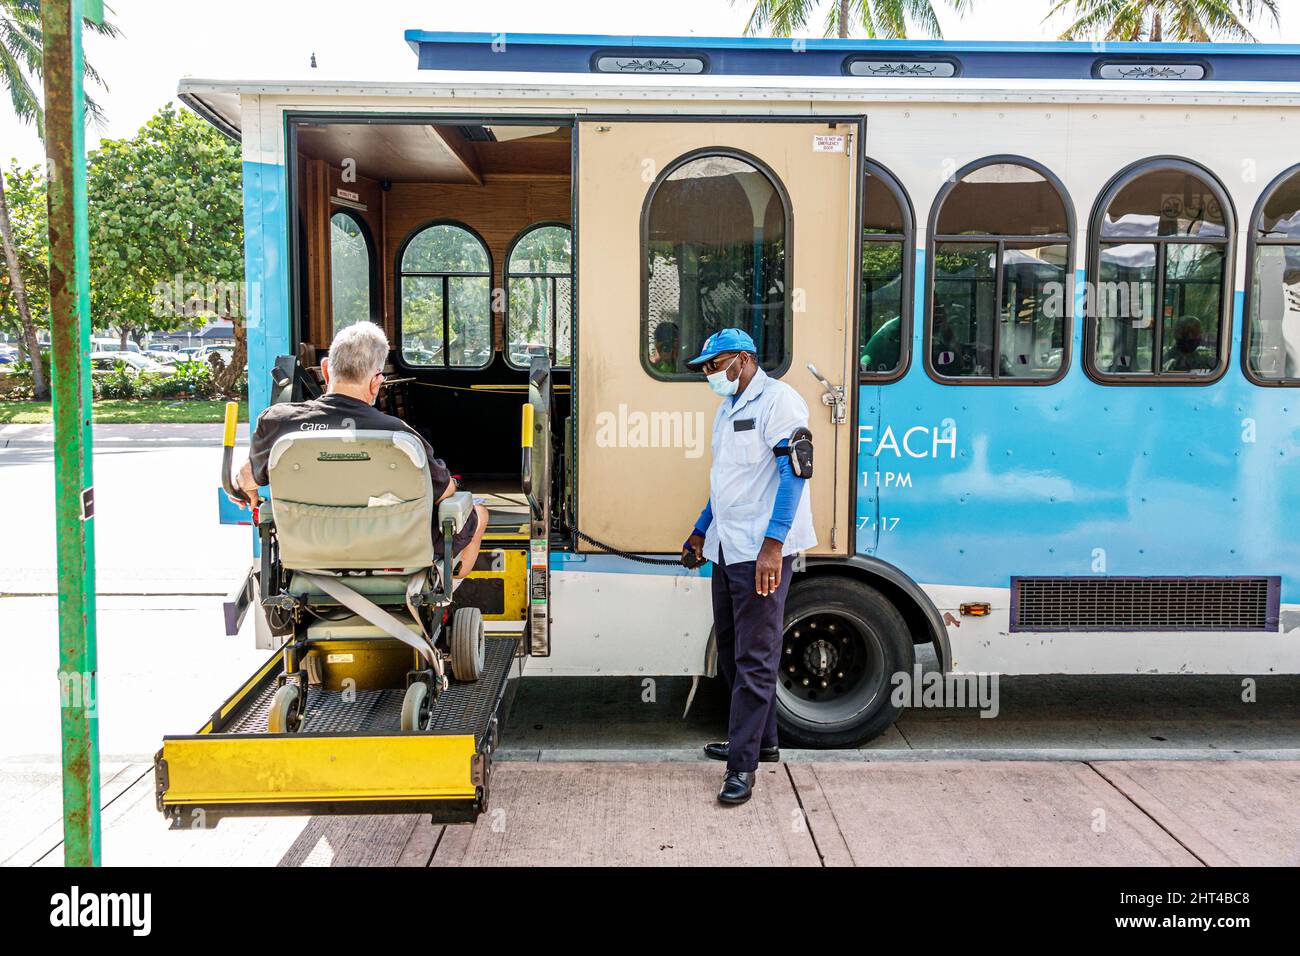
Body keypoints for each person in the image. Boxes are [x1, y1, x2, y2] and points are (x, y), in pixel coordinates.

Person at [229, 321, 489, 578]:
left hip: (307, 551)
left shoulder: (278, 422)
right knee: (477, 512)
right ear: (377, 382)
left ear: (326, 370)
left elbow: (246, 479)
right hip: (394, 550)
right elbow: (443, 492)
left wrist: (245, 485)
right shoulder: (401, 436)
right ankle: (443, 594)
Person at [682, 328, 816, 805]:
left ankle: (742, 768)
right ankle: (763, 741)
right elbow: (727, 484)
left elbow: (795, 475)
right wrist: (700, 529)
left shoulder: (781, 402)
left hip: (762, 553)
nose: (707, 374)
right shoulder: (728, 407)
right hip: (727, 547)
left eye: (713, 365)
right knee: (734, 649)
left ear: (741, 359)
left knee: (756, 658)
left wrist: (773, 547)